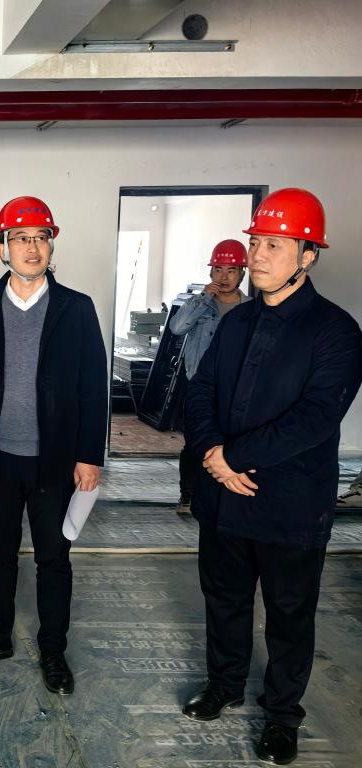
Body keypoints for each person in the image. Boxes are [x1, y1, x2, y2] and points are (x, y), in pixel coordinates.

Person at [182, 188, 362, 766]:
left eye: (274, 245)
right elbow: (201, 390)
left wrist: (233, 457)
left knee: (289, 613)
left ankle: (283, 715)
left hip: (290, 501)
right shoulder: (236, 322)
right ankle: (225, 685)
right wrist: (212, 451)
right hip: (224, 497)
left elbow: (315, 418)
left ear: (308, 255)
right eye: (256, 242)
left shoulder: (336, 331)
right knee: (224, 598)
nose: (257, 256)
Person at [0, 195, 107, 695]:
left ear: (51, 246)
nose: (32, 248)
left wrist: (89, 456)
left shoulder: (76, 309)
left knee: (53, 559)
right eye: (20, 238)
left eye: (41, 238)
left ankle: (53, 650)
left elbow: (93, 388)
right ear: (2, 248)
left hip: (54, 463)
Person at [168, 239, 250, 514]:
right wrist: (203, 298)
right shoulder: (199, 304)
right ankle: (188, 495)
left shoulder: (251, 308)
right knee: (196, 442)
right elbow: (177, 328)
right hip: (199, 385)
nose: (224, 277)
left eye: (231, 270)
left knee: (232, 442)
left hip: (237, 387)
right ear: (210, 272)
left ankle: (225, 495)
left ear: (242, 273)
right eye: (218, 269)